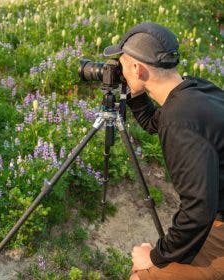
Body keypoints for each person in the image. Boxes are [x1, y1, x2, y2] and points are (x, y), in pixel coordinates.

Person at [103, 22, 224, 279]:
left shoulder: (179, 122)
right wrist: (133, 93)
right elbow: (151, 122)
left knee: (140, 276)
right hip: (216, 212)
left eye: (122, 64)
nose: (120, 71)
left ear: (137, 68)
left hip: (218, 222)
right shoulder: (195, 91)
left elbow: (199, 209)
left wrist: (155, 257)